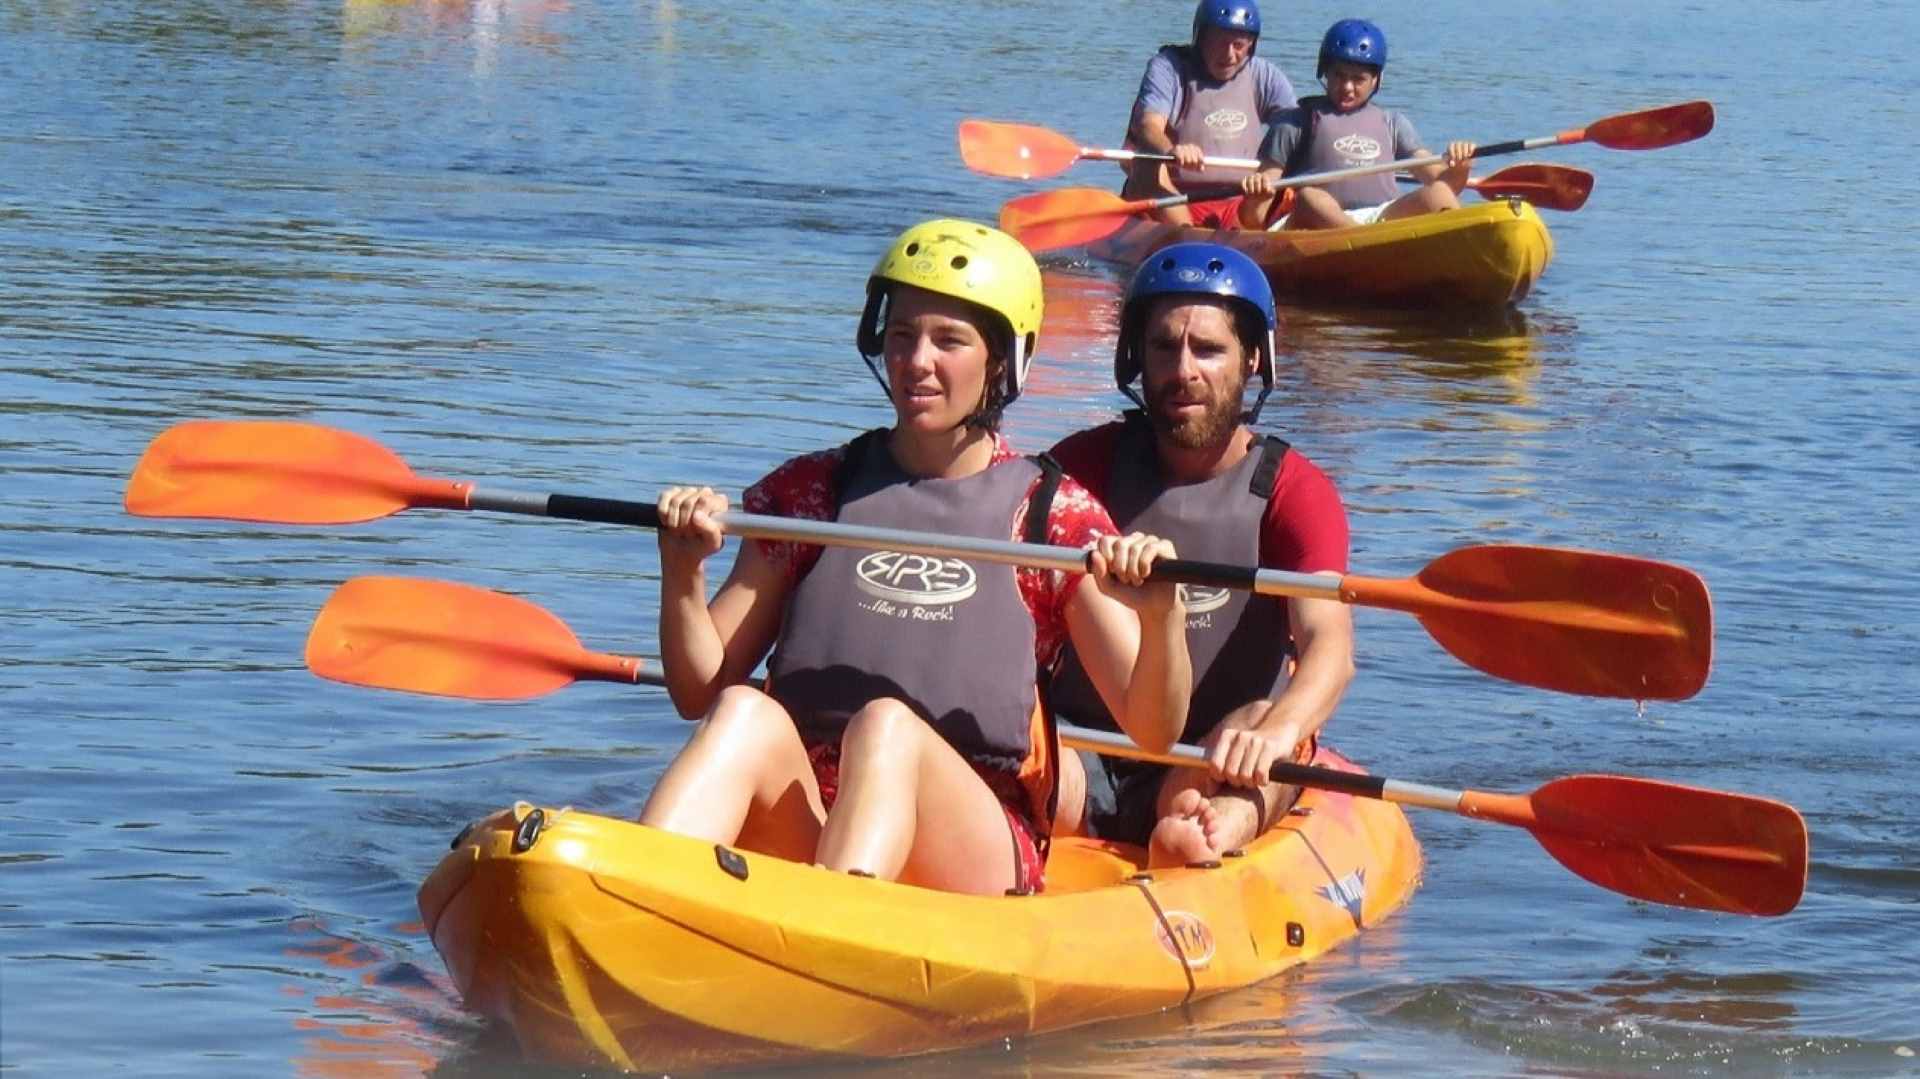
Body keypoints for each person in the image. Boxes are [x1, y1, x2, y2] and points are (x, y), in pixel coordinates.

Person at [639, 220, 1193, 897]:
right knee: (743, 713)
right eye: (901, 335)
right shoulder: (814, 493)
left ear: (1001, 361)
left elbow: (1155, 729)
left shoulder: (1054, 519)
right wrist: (682, 573)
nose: (916, 360)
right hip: (817, 813)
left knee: (887, 727)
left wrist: (1162, 611)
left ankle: (829, 929)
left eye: (948, 340)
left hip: (972, 837)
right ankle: (632, 897)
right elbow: (696, 689)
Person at [1047, 242, 1354, 867]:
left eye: (1208, 350)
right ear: (1135, 357)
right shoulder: (1082, 466)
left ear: (1253, 360)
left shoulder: (1293, 492)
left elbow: (1329, 645)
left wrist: (1280, 731)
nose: (1182, 369)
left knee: (1262, 719)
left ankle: (1212, 832)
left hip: (1212, 761)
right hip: (1078, 751)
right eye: (1163, 347)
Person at [1236, 18, 1475, 231]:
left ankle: (1468, 251)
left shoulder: (1392, 123)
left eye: (1358, 79)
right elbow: (1254, 219)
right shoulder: (1294, 123)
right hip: (1309, 225)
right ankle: (1366, 245)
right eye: (1339, 75)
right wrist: (1256, 197)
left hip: (1377, 219)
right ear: (1325, 72)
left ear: (1376, 81)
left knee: (1439, 194)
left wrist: (1461, 165)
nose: (1347, 87)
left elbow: (1447, 184)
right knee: (1311, 197)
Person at [1122, 0, 1297, 228]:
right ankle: (1187, 233)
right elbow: (1148, 126)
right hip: (1174, 199)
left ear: (1251, 44)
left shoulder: (1265, 75)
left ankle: (1252, 231)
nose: (1229, 55)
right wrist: (1172, 150)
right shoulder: (1169, 68)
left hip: (1241, 200)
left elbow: (1296, 130)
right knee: (1146, 162)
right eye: (1219, 43)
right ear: (1201, 38)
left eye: (1238, 45)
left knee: (1283, 162)